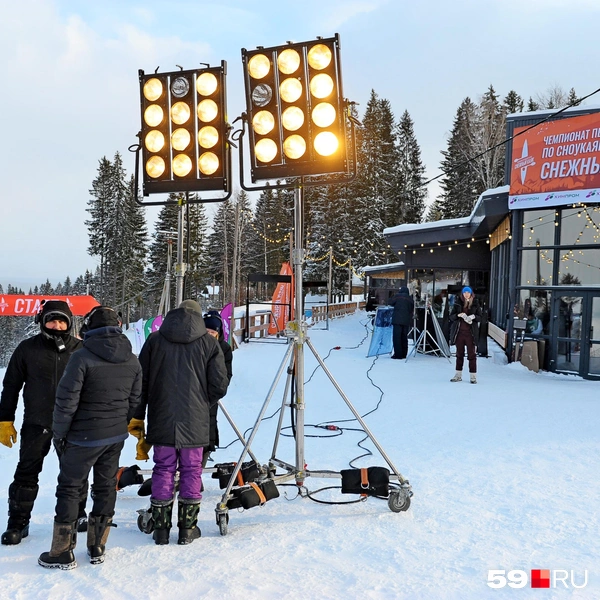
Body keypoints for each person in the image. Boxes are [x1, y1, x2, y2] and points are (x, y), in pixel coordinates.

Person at [38, 306, 142, 569]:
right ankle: (97, 546)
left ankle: (62, 551)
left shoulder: (81, 357)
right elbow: (135, 400)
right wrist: (118, 422)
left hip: (82, 437)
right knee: (106, 486)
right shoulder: (132, 359)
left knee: (70, 488)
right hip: (114, 436)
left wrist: (60, 433)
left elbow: (66, 401)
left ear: (88, 328)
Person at [130, 299, 229, 546]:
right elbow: (219, 385)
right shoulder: (209, 343)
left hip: (161, 416)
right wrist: (200, 401)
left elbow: (139, 383)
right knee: (191, 470)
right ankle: (188, 528)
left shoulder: (154, 341)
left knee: (163, 469)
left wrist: (138, 414)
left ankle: (161, 530)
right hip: (195, 419)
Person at [0, 300, 87, 546]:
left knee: (75, 474)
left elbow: (94, 387)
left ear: (69, 323)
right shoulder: (27, 349)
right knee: (27, 472)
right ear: (42, 321)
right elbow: (10, 387)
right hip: (37, 422)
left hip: (73, 424)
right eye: (51, 319)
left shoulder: (81, 349)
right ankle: (18, 521)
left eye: (62, 320)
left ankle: (78, 515)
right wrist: (5, 419)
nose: (56, 324)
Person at [202, 310, 233, 468]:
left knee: (208, 430)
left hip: (210, 396)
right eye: (206, 331)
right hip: (192, 393)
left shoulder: (224, 348)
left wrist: (214, 391)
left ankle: (197, 470)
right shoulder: (196, 344)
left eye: (212, 332)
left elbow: (226, 375)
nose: (209, 335)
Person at [449, 286, 482, 384]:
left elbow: (480, 317)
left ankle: (473, 376)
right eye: (464, 293)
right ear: (462, 294)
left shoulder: (475, 303)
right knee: (459, 354)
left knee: (472, 355)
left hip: (470, 334)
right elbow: (451, 316)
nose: (466, 294)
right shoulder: (457, 303)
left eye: (468, 292)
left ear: (471, 293)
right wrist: (458, 315)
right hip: (459, 333)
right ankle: (458, 375)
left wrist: (473, 317)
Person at [387, 286, 414, 360]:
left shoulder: (397, 296)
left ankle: (398, 354)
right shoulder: (410, 299)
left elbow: (390, 302)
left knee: (397, 337)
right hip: (406, 321)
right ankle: (404, 354)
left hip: (397, 320)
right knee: (404, 337)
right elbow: (411, 309)